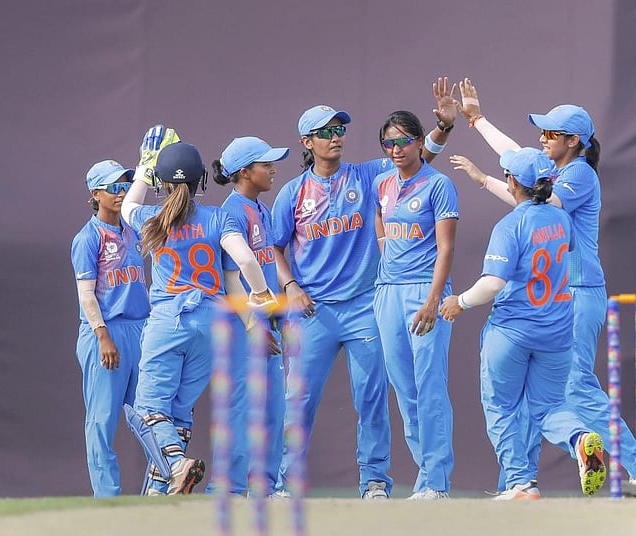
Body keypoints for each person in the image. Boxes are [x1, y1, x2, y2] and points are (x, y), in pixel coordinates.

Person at [450, 78, 636, 497]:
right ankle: (519, 482)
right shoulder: (557, 171)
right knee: (540, 392)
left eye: (549, 134)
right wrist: (477, 120)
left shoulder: (579, 174)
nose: (541, 138)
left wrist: (485, 179)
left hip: (578, 293)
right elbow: (522, 170)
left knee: (575, 387)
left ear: (573, 140)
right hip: (559, 298)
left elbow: (529, 196)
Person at [270, 80, 457, 500]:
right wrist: (290, 286)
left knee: (371, 400)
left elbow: (413, 156)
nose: (335, 138)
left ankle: (374, 481)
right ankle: (284, 482)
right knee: (296, 402)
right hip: (312, 311)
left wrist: (443, 127)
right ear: (306, 141)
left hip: (364, 307)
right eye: (326, 132)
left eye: (339, 131)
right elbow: (274, 248)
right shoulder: (293, 192)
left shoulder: (368, 175)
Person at [442, 147, 607, 499]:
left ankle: (520, 483)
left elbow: (493, 283)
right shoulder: (562, 220)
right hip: (558, 331)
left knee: (500, 405)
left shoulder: (510, 225)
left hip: (513, 329)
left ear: (513, 182)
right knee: (549, 407)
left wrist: (460, 302)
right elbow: (570, 250)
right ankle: (579, 436)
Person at [121, 128, 276, 495]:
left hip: (168, 320)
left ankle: (176, 464)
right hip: (212, 323)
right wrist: (261, 294)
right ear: (201, 180)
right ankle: (158, 496)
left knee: (146, 409)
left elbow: (126, 207)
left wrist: (144, 169)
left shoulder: (151, 217)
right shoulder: (217, 217)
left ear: (161, 182)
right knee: (177, 412)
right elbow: (244, 259)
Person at [372, 110, 458, 500]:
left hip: (425, 291)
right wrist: (383, 250)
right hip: (388, 291)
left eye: (403, 141)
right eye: (389, 143)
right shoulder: (381, 183)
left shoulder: (439, 185)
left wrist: (433, 299)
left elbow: (446, 248)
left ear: (420, 143)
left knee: (429, 386)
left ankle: (437, 482)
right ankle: (426, 476)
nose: (395, 149)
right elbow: (380, 222)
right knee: (404, 389)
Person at [208, 136, 289, 496]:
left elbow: (267, 267)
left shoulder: (261, 208)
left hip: (267, 326)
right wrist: (254, 325)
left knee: (273, 411)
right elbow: (231, 280)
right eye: (265, 164)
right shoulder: (230, 212)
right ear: (244, 172)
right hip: (245, 328)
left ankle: (265, 487)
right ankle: (229, 489)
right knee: (242, 412)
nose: (273, 169)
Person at [71, 160, 149, 497]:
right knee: (103, 419)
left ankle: (163, 484)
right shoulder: (87, 238)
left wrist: (147, 167)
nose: (120, 193)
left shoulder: (132, 230)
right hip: (105, 332)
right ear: (95, 194)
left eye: (124, 185)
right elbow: (86, 294)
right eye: (113, 187)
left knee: (149, 415)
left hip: (140, 328)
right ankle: (107, 497)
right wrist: (103, 336)